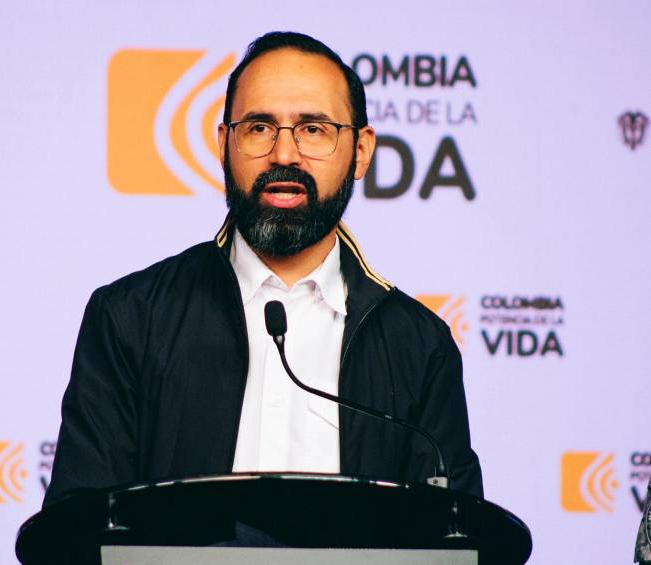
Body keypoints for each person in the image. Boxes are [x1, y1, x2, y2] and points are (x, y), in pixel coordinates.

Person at [44, 31, 483, 509]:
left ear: (360, 151)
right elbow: (78, 529)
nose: (285, 154)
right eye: (259, 127)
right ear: (224, 144)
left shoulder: (419, 346)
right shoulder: (131, 317)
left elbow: (454, 541)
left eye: (314, 128)